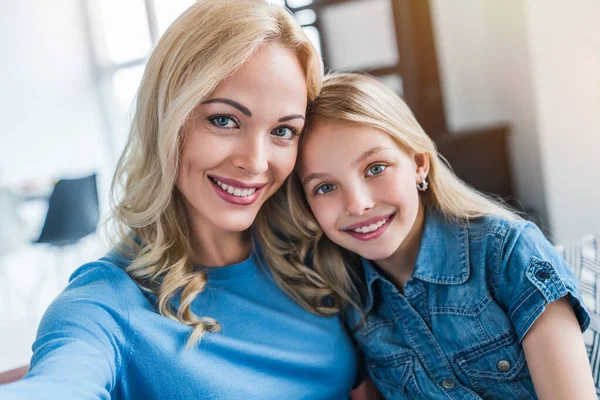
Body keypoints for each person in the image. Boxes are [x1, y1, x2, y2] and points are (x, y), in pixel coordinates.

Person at [0, 2, 364, 399]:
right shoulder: (106, 305)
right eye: (224, 120)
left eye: (282, 130)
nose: (255, 162)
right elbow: (60, 383)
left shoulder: (319, 253)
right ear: (166, 118)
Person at [286, 72, 597, 399]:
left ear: (419, 164)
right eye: (325, 187)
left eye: (375, 168)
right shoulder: (350, 300)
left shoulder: (508, 252)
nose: (358, 204)